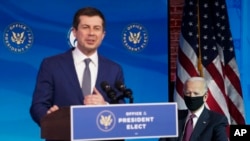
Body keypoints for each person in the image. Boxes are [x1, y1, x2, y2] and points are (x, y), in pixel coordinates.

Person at [30, 7, 125, 141]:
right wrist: (49, 119)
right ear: (74, 32)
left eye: (97, 28)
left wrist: (105, 106)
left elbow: (122, 114)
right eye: (85, 27)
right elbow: (38, 106)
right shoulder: (51, 65)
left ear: (103, 34)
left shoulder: (114, 69)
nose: (91, 33)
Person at [160, 77, 229, 141]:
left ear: (205, 97)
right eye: (188, 93)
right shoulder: (173, 117)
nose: (191, 96)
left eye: (196, 93)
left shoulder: (217, 120)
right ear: (183, 95)